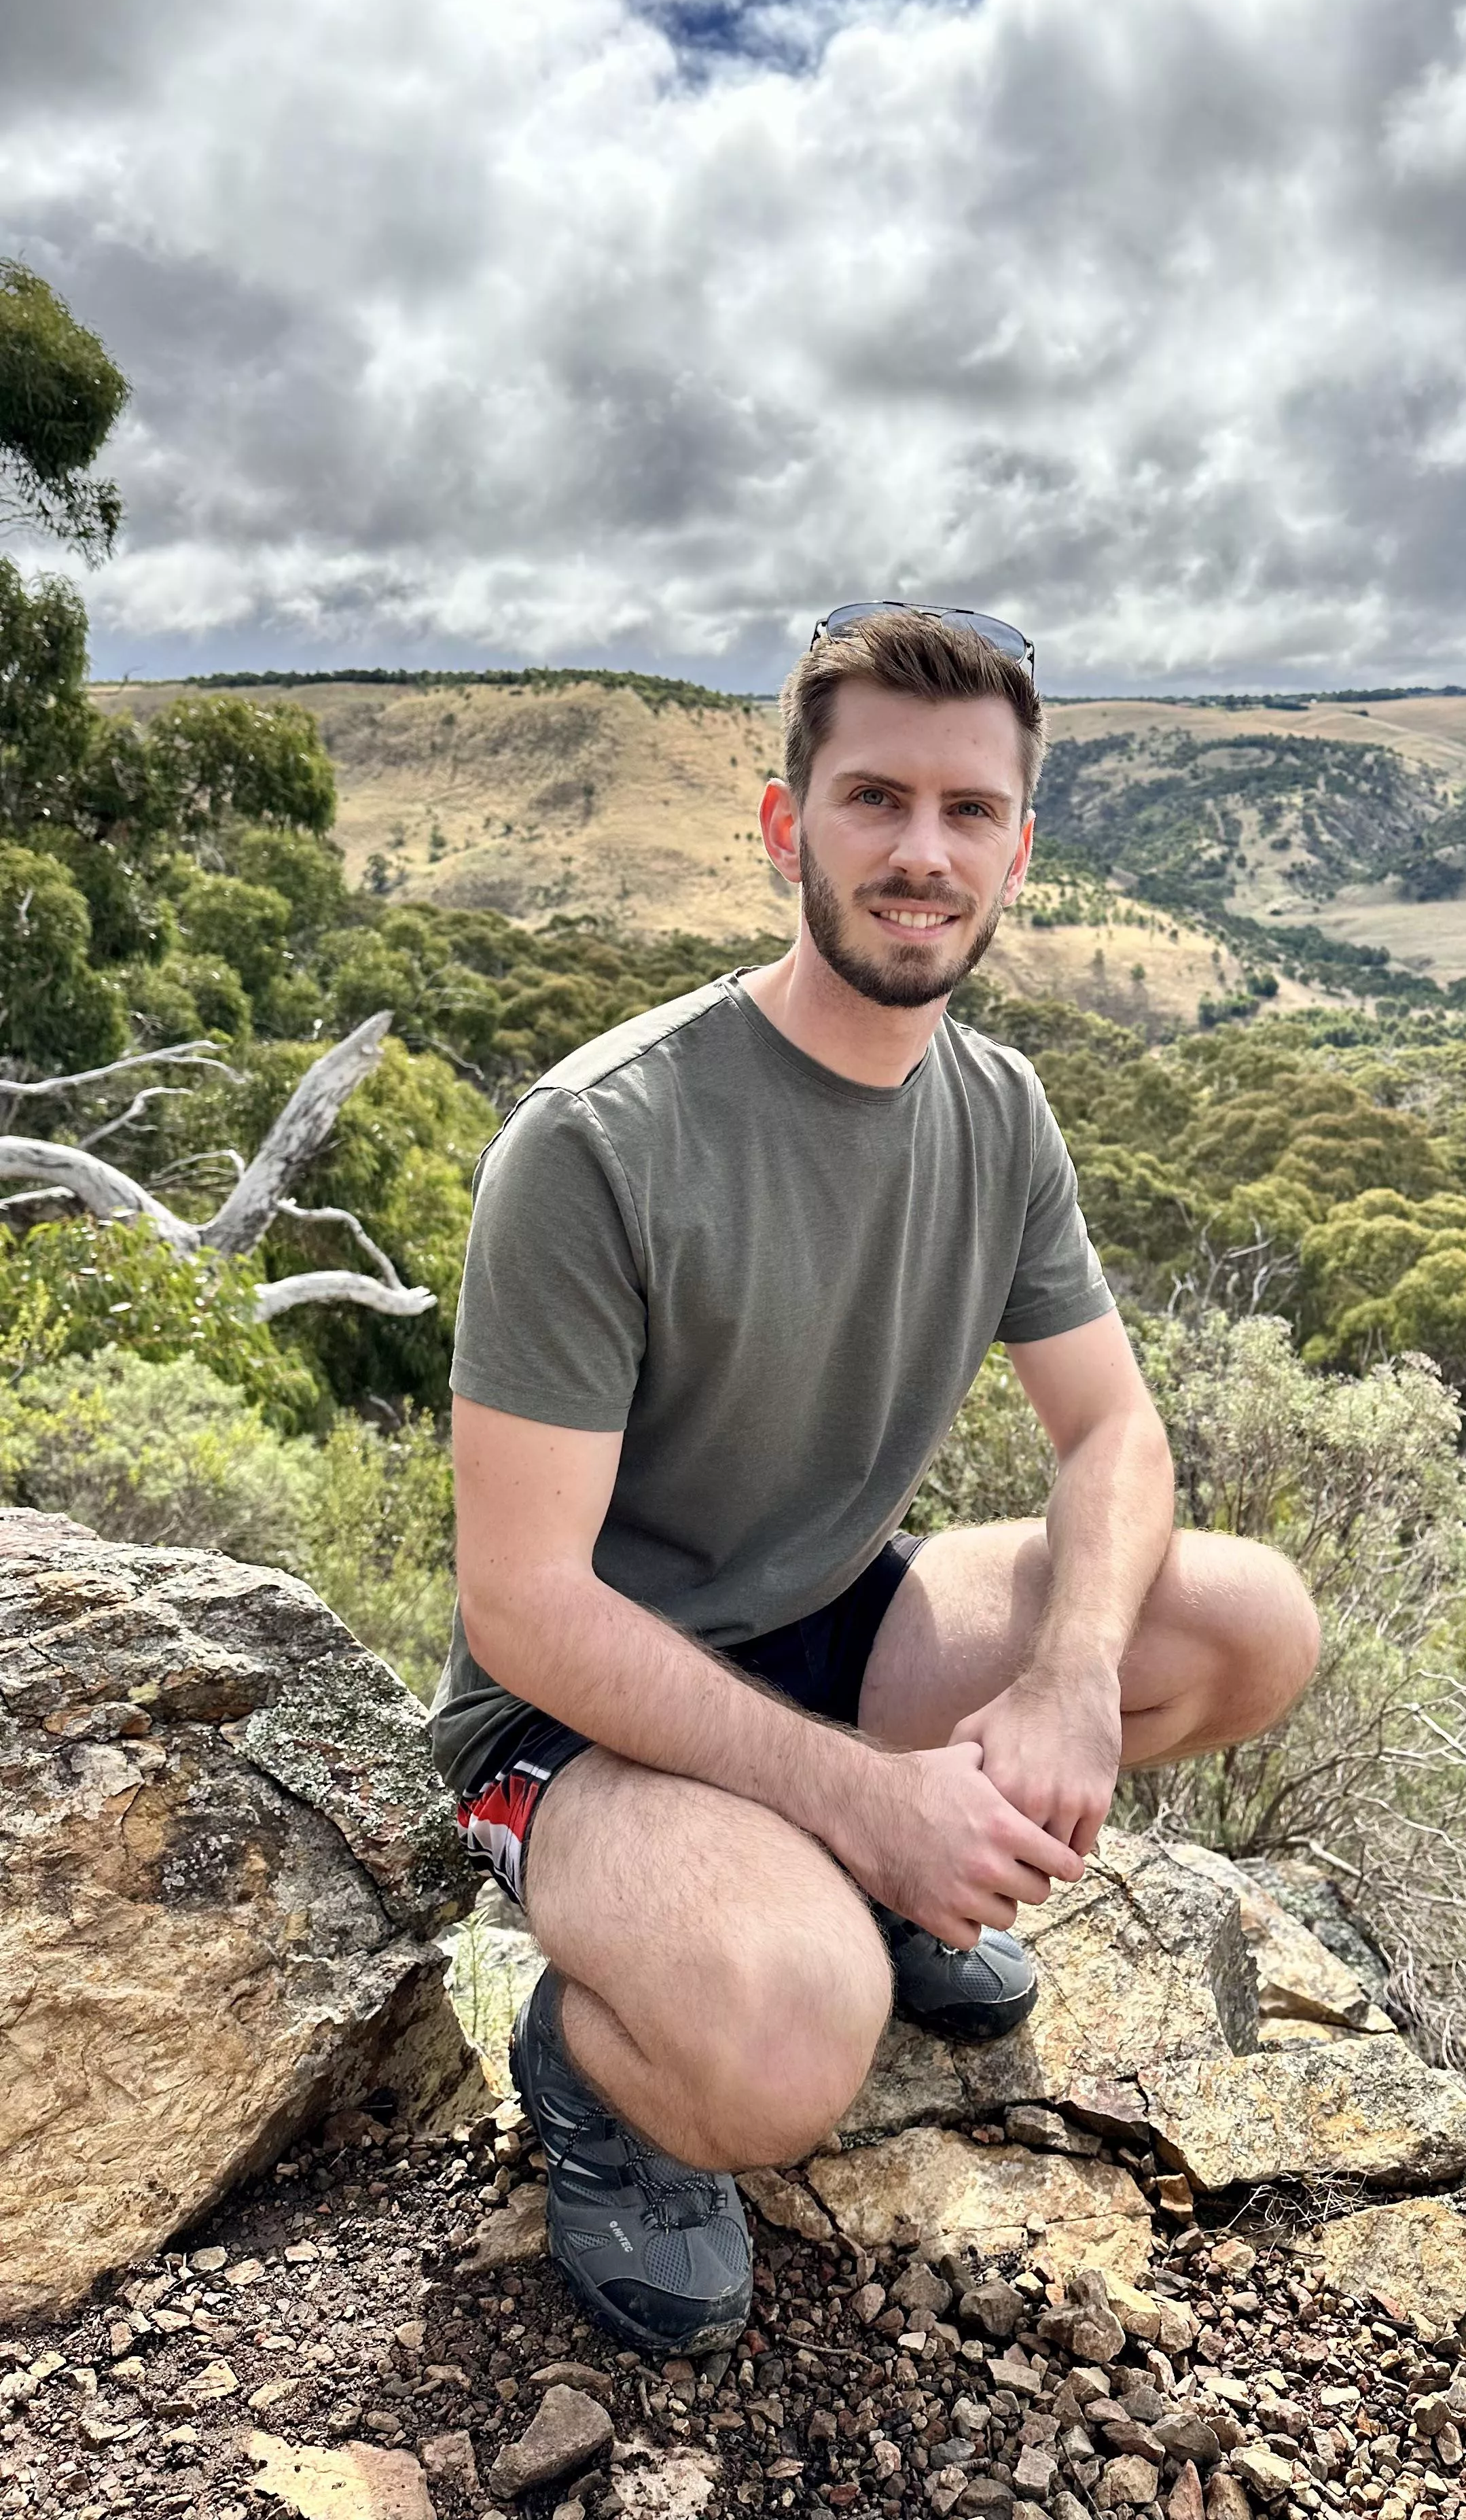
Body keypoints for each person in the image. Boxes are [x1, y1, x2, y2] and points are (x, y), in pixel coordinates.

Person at [430, 602, 1323, 2356]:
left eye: (969, 812)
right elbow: (520, 1607)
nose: (924, 855)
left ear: (1020, 851)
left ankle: (866, 1870)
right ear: (789, 828)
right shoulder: (602, 1144)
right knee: (795, 2036)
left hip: (832, 1623)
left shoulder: (997, 1114)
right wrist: (865, 1807)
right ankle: (591, 2068)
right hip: (572, 1725)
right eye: (875, 801)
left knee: (1241, 1627)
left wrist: (1067, 1679)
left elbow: (1118, 1439)